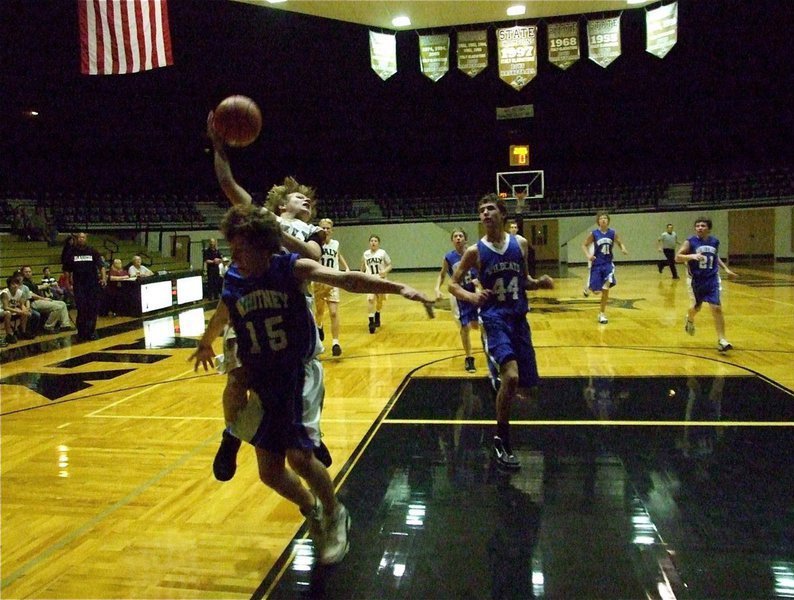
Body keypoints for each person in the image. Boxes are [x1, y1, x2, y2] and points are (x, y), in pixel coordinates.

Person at [191, 204, 432, 565]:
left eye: (241, 249)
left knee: (299, 456)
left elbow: (348, 280)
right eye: (232, 250)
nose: (234, 256)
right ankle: (311, 508)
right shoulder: (236, 280)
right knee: (270, 474)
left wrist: (399, 287)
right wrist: (206, 340)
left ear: (263, 245)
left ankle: (336, 513)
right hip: (264, 380)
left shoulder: (290, 268)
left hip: (298, 374)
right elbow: (224, 313)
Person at [206, 111, 328, 482]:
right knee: (238, 378)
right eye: (298, 197)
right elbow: (227, 182)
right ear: (280, 205)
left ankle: (306, 433)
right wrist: (218, 146)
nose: (305, 202)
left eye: (309, 200)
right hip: (247, 303)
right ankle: (231, 437)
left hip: (288, 311)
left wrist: (277, 235)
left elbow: (313, 257)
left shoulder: (310, 231)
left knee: (293, 378)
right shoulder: (257, 215)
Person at [449, 193, 554, 470]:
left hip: (519, 318)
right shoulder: (475, 251)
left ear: (502, 214)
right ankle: (500, 438)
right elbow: (453, 285)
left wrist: (539, 283)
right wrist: (471, 298)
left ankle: (499, 378)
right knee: (511, 377)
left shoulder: (520, 243)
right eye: (481, 210)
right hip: (494, 319)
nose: (485, 213)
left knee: (527, 387)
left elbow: (526, 280)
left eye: (490, 208)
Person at [676, 216, 737, 352]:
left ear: (708, 229)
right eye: (697, 226)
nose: (700, 228)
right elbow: (677, 257)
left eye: (703, 226)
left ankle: (722, 340)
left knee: (716, 308)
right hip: (696, 280)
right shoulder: (690, 242)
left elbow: (715, 257)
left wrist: (726, 269)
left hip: (712, 279)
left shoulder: (714, 241)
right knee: (696, 308)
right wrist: (691, 256)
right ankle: (690, 319)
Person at [434, 228, 481, 373]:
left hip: (474, 292)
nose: (458, 238)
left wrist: (478, 281)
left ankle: (491, 353)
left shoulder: (474, 253)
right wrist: (437, 288)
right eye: (455, 236)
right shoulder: (449, 257)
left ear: (465, 239)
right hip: (458, 295)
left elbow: (484, 270)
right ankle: (469, 358)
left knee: (481, 325)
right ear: (452, 240)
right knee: (464, 327)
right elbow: (442, 275)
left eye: (461, 235)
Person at [581, 211, 628, 324]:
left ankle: (602, 314)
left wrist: (623, 248)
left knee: (605, 290)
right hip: (597, 264)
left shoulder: (612, 233)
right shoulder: (594, 234)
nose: (603, 220)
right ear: (598, 221)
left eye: (605, 218)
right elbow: (584, 245)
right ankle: (588, 287)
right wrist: (588, 255)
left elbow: (619, 242)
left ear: (608, 220)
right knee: (596, 291)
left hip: (608, 264)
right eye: (601, 218)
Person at [314, 218, 350, 357]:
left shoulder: (335, 243)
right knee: (319, 312)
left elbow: (338, 255)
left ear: (332, 230)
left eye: (328, 228)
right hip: (318, 280)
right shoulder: (315, 244)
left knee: (334, 312)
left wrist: (346, 268)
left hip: (333, 280)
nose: (325, 230)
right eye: (323, 228)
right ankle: (320, 325)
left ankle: (336, 342)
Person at [62, 231, 106, 341]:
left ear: (86, 239)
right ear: (77, 239)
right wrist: (67, 284)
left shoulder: (92, 251)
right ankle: (81, 332)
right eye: (79, 237)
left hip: (92, 285)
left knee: (92, 309)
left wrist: (103, 278)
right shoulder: (72, 252)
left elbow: (101, 266)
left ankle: (91, 331)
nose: (81, 239)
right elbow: (67, 270)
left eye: (83, 237)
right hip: (79, 285)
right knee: (82, 309)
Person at [19, 265, 73, 333]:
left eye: (29, 271)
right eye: (26, 272)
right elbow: (31, 295)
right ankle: (48, 326)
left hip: (39, 300)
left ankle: (65, 325)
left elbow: (36, 288)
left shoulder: (30, 281)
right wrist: (44, 298)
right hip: (32, 302)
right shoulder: (23, 283)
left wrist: (44, 287)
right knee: (58, 307)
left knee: (62, 303)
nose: (28, 273)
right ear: (22, 273)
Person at [360, 235, 392, 334]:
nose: (373, 242)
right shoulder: (366, 254)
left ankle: (377, 313)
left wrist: (385, 271)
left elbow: (390, 265)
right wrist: (361, 276)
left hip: (380, 279)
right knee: (370, 299)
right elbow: (362, 268)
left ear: (378, 243)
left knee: (379, 300)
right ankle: (371, 321)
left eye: (375, 241)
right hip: (370, 279)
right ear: (369, 243)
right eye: (372, 241)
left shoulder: (382, 253)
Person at [1, 275, 38, 342]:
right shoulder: (5, 293)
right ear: (9, 285)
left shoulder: (19, 292)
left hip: (11, 308)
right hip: (2, 309)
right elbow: (5, 307)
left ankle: (23, 332)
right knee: (8, 313)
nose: (15, 286)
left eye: (16, 284)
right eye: (13, 284)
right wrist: (19, 312)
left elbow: (22, 304)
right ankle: (9, 334)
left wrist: (25, 310)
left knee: (25, 313)